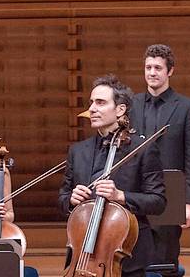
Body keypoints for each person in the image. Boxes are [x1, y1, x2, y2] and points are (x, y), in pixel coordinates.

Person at [59, 75, 166, 277]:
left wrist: (121, 196)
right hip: (82, 255)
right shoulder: (78, 151)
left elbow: (158, 201)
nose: (92, 109)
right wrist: (71, 200)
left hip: (126, 257)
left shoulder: (142, 148)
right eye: (91, 102)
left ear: (120, 110)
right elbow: (63, 198)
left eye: (100, 103)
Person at [129, 44, 190, 274]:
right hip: (136, 193)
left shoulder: (187, 107)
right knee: (135, 261)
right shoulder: (131, 104)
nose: (152, 72)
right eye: (148, 67)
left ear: (169, 71)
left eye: (158, 68)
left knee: (165, 261)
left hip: (170, 193)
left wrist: (189, 202)